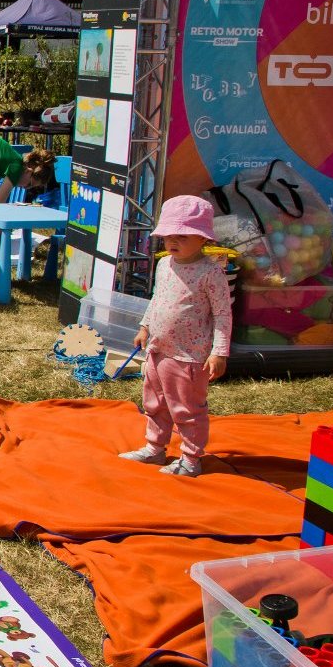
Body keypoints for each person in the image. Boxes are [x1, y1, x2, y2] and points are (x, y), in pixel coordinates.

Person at [122, 195, 231, 477]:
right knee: (155, 402)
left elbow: (222, 314)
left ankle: (191, 459)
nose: (173, 242)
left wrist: (219, 352)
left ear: (202, 238)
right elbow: (157, 299)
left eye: (182, 236)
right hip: (159, 350)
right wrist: (145, 327)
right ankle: (154, 448)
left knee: (187, 408)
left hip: (189, 355)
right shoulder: (164, 265)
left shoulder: (212, 272)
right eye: (169, 235)